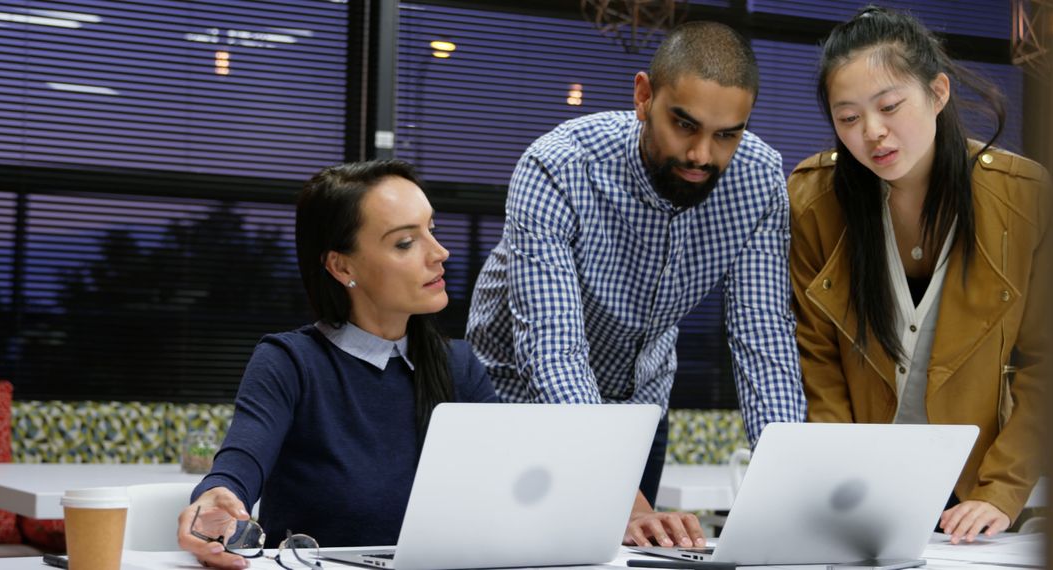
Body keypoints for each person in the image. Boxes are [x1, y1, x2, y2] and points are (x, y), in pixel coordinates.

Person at [466, 21, 806, 548]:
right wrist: (615, 491)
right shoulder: (559, 166)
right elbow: (553, 351)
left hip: (639, 406)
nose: (701, 155)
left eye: (726, 135)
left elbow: (763, 339)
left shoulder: (758, 180)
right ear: (644, 96)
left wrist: (791, 488)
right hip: (517, 405)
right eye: (685, 125)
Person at [788, 6, 1047, 544]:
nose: (873, 134)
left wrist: (1001, 491)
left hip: (976, 500)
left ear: (938, 92)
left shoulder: (1024, 198)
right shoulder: (814, 201)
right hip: (861, 494)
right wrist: (844, 481)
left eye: (889, 106)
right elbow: (816, 362)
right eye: (848, 118)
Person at [177, 160, 498, 569]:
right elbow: (240, 464)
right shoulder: (290, 362)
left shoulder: (460, 365)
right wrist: (216, 495)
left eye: (431, 230)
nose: (440, 253)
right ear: (342, 266)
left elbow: (498, 498)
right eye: (405, 242)